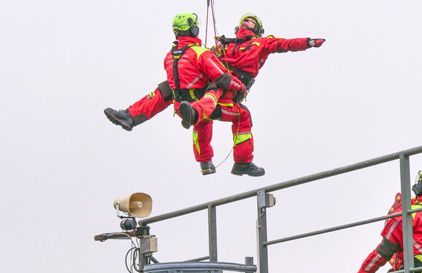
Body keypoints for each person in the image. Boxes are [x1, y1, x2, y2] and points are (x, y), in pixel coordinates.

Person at [103, 13, 325, 176]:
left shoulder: (237, 45)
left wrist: (308, 42)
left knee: (179, 96)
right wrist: (309, 42)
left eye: (249, 21)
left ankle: (135, 117)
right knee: (232, 113)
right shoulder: (232, 45)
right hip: (221, 90)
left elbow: (286, 44)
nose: (245, 23)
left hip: (211, 92)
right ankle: (241, 162)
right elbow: (284, 45)